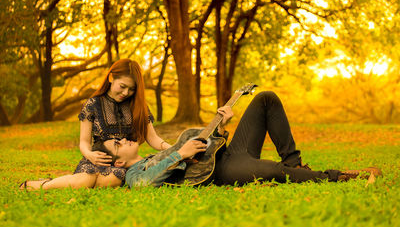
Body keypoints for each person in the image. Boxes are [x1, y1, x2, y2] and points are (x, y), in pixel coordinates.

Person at [93, 91, 382, 188]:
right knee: (271, 172)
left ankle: (296, 164)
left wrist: (220, 128)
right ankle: (340, 176)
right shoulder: (133, 173)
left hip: (229, 153)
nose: (126, 139)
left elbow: (207, 145)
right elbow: (145, 184)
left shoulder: (153, 153)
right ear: (118, 160)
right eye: (118, 143)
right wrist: (179, 155)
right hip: (220, 172)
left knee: (266, 98)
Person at [20, 58, 173, 190]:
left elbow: (153, 138)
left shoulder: (138, 106)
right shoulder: (92, 104)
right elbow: (84, 142)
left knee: (112, 178)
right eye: (123, 86)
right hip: (95, 160)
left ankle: (70, 183)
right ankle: (42, 185)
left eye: (131, 89)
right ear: (111, 78)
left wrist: (173, 149)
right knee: (88, 178)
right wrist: (90, 155)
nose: (126, 92)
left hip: (123, 164)